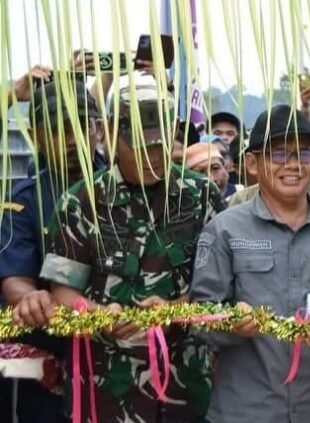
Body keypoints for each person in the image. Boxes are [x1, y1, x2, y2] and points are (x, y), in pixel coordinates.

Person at [39, 76, 223, 421]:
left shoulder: (202, 196)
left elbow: (222, 285)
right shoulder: (81, 202)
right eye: (139, 145)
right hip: (105, 391)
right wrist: (99, 315)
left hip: (185, 388)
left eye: (158, 145)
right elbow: (62, 290)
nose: (151, 156)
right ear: (108, 133)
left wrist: (175, 310)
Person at [190, 104, 310, 423]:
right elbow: (199, 316)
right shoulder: (224, 229)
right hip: (245, 411)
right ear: (252, 163)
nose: (294, 165)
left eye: (303, 153)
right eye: (279, 154)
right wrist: (231, 322)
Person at [0, 80, 103, 423]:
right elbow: (14, 280)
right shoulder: (24, 200)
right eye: (59, 130)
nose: (73, 140)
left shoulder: (125, 189)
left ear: (98, 130)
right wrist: (30, 299)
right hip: (49, 359)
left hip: (113, 353)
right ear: (36, 135)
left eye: (81, 126)